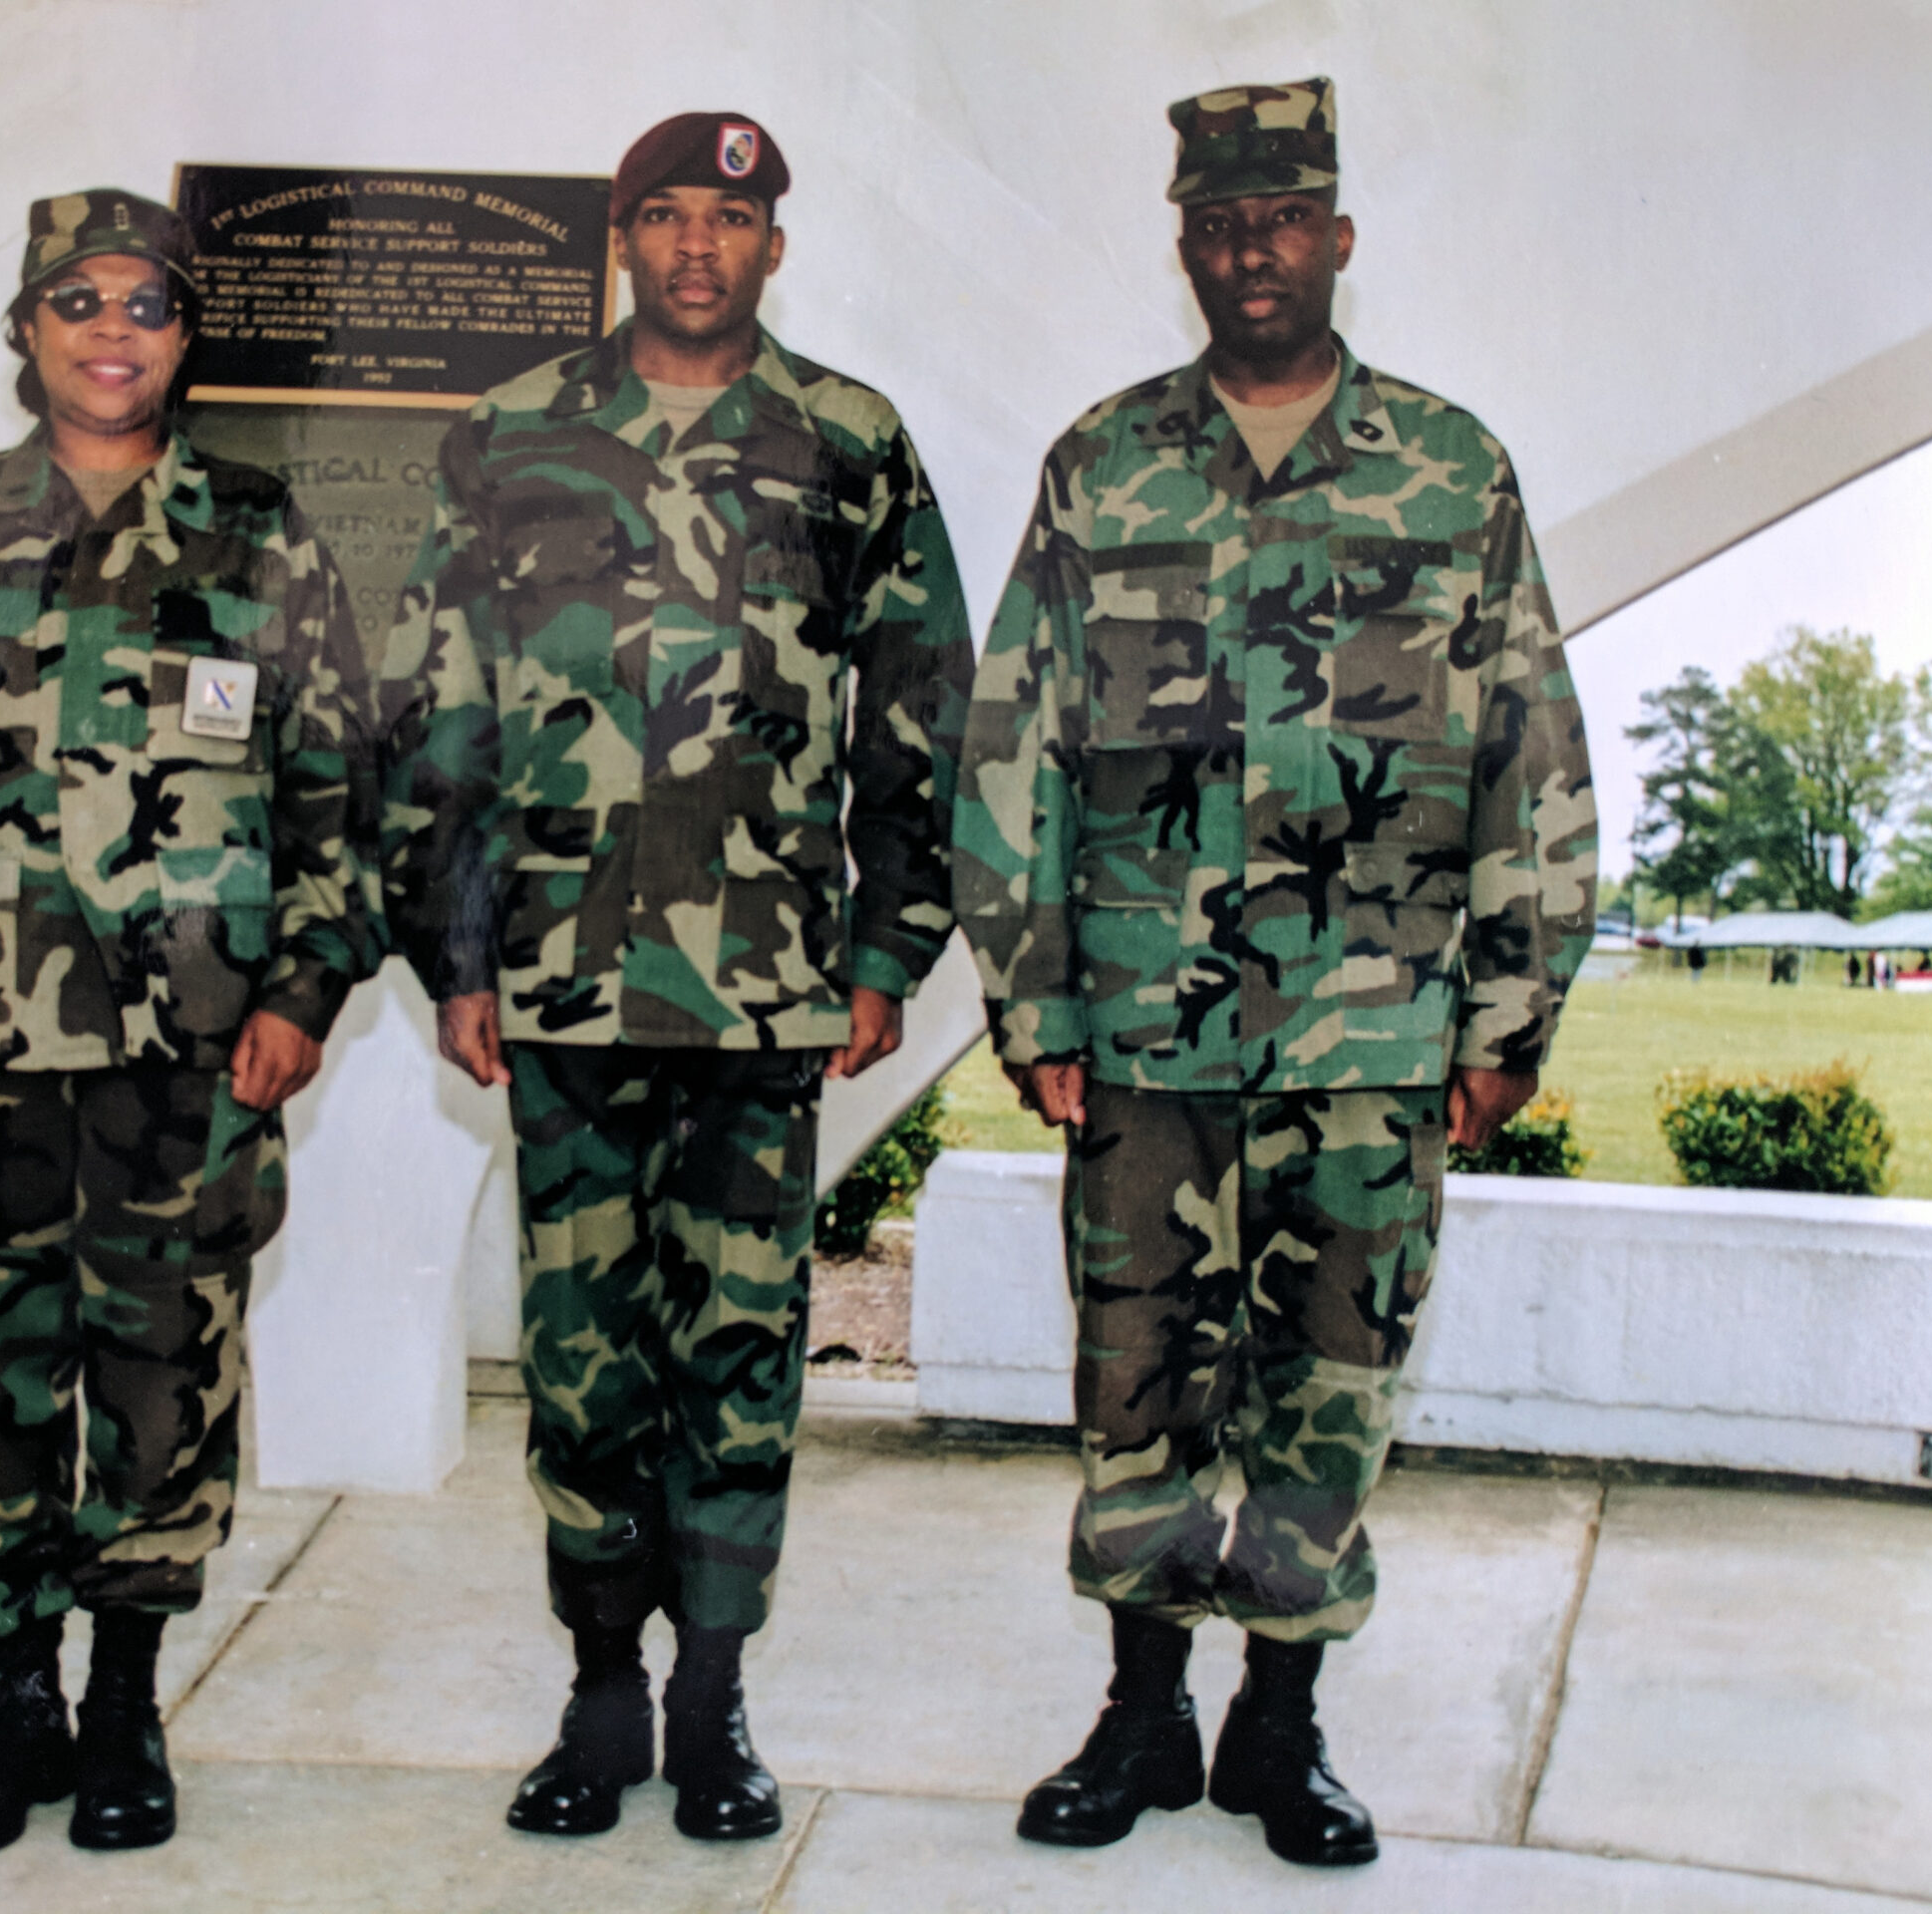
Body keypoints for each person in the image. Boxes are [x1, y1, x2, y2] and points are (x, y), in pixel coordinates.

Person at [952, 79, 1595, 1868]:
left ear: (1338, 238)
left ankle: (1282, 1731)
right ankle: (1143, 1717)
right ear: (1187, 247)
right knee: (1138, 1369)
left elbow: (1531, 754)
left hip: (1375, 1030)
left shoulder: (1451, 471)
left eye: (1285, 219)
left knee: (1332, 1378)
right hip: (1147, 1033)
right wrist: (1033, 998)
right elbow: (1015, 749)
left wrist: (1506, 1016)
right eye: (1222, 225)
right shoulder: (1106, 464)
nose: (1255, 252)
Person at [379, 112, 973, 1843]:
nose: (699, 244)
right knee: (580, 1359)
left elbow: (918, 714)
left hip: (770, 986)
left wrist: (888, 945)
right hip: (564, 980)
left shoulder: (847, 442)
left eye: (732, 217)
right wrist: (456, 954)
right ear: (621, 239)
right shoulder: (507, 438)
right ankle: (598, 1699)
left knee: (738, 1350)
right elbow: (443, 710)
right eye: (667, 216)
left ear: (775, 245)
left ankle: (711, 1705)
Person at [0, 188, 378, 1858]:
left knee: (165, 1375)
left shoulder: (263, 535)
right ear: (26, 330)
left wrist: (304, 994)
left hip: (184, 1058)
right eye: (79, 301)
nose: (114, 332)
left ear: (187, 339)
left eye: (149, 305)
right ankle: (13, 1706)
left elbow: (341, 792)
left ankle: (126, 1705)